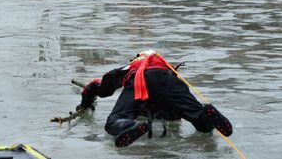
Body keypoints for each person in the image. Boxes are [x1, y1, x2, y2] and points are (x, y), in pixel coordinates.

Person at [77, 49, 233, 147]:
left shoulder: (130, 68)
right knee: (203, 125)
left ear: (137, 59)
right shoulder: (170, 71)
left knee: (113, 122)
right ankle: (207, 112)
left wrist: (84, 104)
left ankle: (131, 126)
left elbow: (94, 86)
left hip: (141, 82)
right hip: (169, 84)